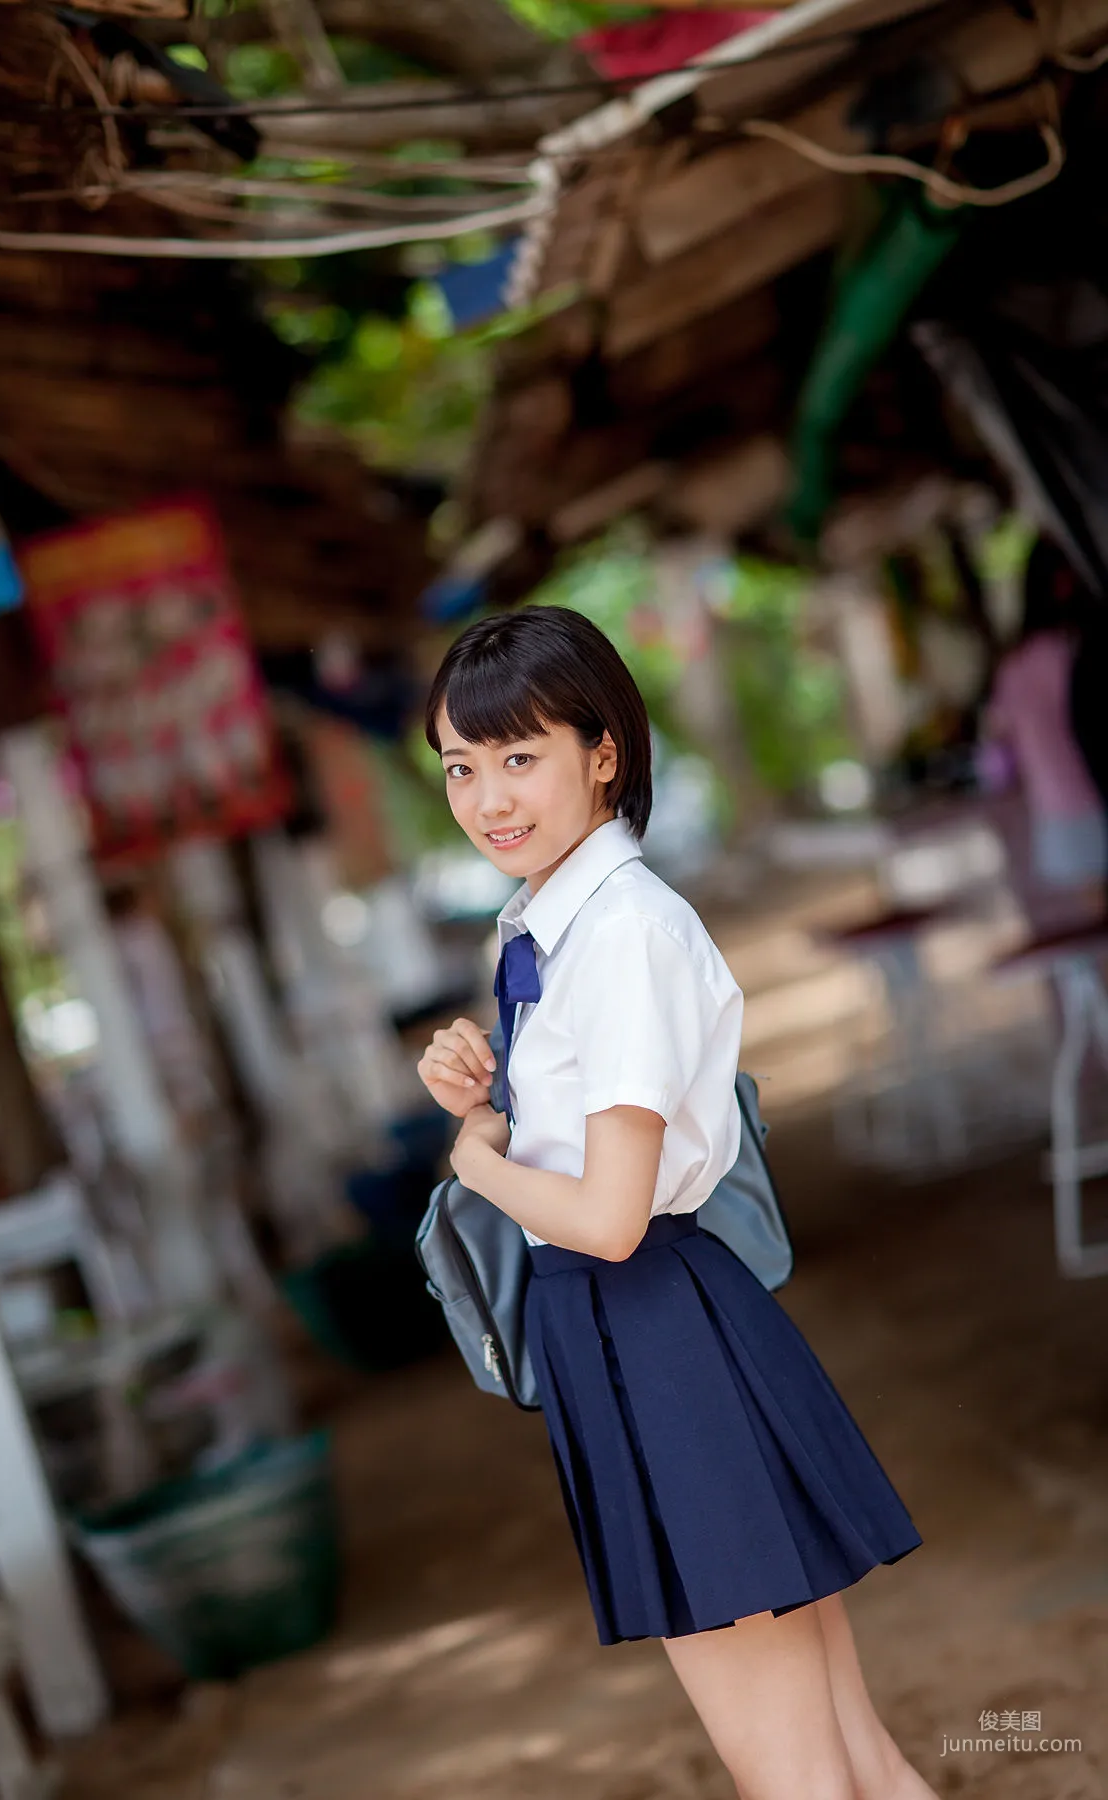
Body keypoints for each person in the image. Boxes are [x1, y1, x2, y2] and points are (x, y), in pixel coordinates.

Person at [415, 605, 936, 1800]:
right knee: (851, 1754)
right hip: (645, 1338)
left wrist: (474, 1162)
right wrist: (487, 1096)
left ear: (603, 754)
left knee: (793, 1770)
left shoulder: (627, 935)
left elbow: (606, 1217)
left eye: (518, 756)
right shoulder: (558, 928)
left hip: (650, 1334)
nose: (487, 797)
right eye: (460, 765)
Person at [981, 538, 1108, 930]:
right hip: (1094, 793)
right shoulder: (1074, 647)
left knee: (1099, 923)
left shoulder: (1013, 665)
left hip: (1055, 809)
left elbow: (995, 759)